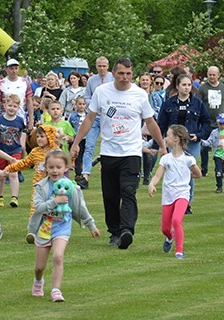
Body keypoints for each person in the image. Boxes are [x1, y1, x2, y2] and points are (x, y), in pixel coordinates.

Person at [70, 58, 166, 249]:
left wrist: (162, 146)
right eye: (121, 73)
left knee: (128, 191)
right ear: (113, 74)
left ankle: (126, 231)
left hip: (131, 152)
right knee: (111, 195)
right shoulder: (102, 92)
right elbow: (89, 119)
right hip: (109, 151)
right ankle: (114, 232)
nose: (125, 77)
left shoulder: (139, 94)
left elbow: (150, 122)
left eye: (128, 74)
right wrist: (76, 143)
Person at [29, 150, 100, 302]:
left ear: (66, 168)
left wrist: (91, 225)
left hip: (62, 227)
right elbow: (38, 208)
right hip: (44, 228)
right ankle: (38, 281)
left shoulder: (71, 188)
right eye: (51, 167)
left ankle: (56, 290)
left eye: (58, 167)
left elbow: (80, 208)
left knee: (58, 256)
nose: (55, 170)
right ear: (46, 168)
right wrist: (55, 201)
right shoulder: (41, 187)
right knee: (39, 267)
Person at [157, 74, 211, 214]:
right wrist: (161, 142)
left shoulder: (197, 103)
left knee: (187, 170)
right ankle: (172, 200)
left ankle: (186, 202)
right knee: (173, 171)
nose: (187, 88)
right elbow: (161, 124)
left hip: (191, 143)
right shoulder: (169, 103)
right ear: (177, 86)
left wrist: (198, 135)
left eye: (189, 85)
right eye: (184, 85)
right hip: (173, 143)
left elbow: (206, 123)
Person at [148, 124, 201, 259]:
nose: (165, 139)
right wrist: (152, 184)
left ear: (176, 138)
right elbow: (158, 175)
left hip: (182, 194)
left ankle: (179, 251)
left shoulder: (188, 159)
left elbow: (198, 174)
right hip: (168, 195)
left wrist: (185, 176)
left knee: (177, 220)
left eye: (168, 136)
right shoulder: (166, 159)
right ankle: (170, 237)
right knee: (165, 228)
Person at [1, 125, 59, 243]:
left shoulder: (56, 153)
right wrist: (10, 168)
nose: (39, 139)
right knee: (35, 208)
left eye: (42, 136)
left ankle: (51, 231)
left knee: (51, 209)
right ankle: (32, 232)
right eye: (37, 136)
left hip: (53, 187)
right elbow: (24, 163)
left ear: (50, 137)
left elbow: (63, 168)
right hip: (38, 187)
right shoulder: (35, 152)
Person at [78, 56, 114, 189]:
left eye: (104, 66)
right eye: (99, 66)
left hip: (110, 117)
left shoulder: (113, 78)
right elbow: (87, 96)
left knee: (110, 145)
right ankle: (85, 175)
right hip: (94, 117)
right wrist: (93, 104)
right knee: (89, 145)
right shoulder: (92, 80)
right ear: (96, 66)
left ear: (108, 66)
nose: (102, 68)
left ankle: (110, 173)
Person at [0, 94, 26, 209]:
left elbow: (22, 133)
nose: (11, 108)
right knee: (1, 175)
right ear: (4, 105)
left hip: (15, 150)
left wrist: (22, 146)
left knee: (13, 174)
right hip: (0, 151)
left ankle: (14, 197)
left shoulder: (19, 121)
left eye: (15, 106)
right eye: (9, 105)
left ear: (18, 108)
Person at [198, 66, 224, 177]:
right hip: (206, 122)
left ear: (219, 75)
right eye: (210, 74)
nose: (212, 77)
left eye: (214, 74)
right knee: (204, 146)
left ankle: (221, 168)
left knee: (222, 146)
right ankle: (204, 168)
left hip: (221, 123)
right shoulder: (202, 88)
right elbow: (198, 104)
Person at [0, 59, 35, 131]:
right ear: (7, 69)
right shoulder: (1, 83)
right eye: (11, 68)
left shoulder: (25, 82)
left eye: (16, 68)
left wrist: (31, 120)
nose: (14, 71)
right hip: (5, 118)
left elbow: (29, 101)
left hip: (21, 117)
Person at [203, 113, 224, 193]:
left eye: (223, 123)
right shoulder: (214, 132)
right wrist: (200, 141)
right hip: (218, 154)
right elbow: (209, 142)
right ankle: (219, 187)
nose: (222, 125)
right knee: (218, 171)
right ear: (217, 123)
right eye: (220, 123)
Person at [68, 97, 87, 180]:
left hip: (87, 138)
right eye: (79, 104)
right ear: (76, 105)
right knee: (78, 156)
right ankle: (78, 174)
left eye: (83, 104)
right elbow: (70, 127)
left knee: (86, 155)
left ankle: (85, 172)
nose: (81, 106)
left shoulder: (88, 115)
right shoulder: (73, 116)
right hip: (77, 139)